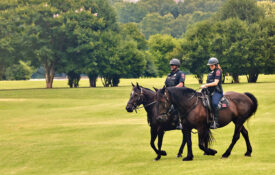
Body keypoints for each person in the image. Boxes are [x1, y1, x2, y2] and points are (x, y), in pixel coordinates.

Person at [200, 57, 223, 129]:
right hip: (209, 91)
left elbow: (215, 83)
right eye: (209, 65)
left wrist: (205, 85)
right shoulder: (211, 72)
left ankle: (215, 122)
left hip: (217, 91)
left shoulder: (218, 71)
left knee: (215, 103)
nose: (210, 67)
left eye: (212, 65)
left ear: (216, 65)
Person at [164, 58, 185, 129]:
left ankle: (179, 123)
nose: (171, 66)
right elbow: (166, 85)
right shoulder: (169, 75)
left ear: (177, 66)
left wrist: (171, 90)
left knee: (175, 107)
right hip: (169, 94)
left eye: (173, 65)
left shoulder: (180, 73)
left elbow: (181, 84)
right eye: (171, 65)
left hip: (178, 94)